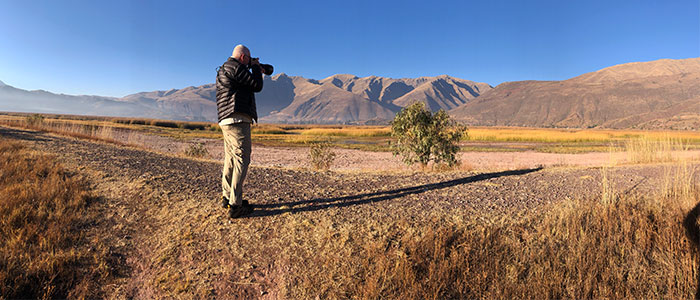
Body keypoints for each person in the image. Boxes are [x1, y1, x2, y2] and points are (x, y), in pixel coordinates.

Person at [216, 44, 263, 218]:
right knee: (242, 159)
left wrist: (253, 66)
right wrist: (257, 68)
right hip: (237, 119)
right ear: (243, 57)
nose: (249, 62)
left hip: (226, 119)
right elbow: (257, 85)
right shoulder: (236, 67)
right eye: (248, 59)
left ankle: (227, 197)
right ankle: (235, 205)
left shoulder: (224, 68)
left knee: (231, 159)